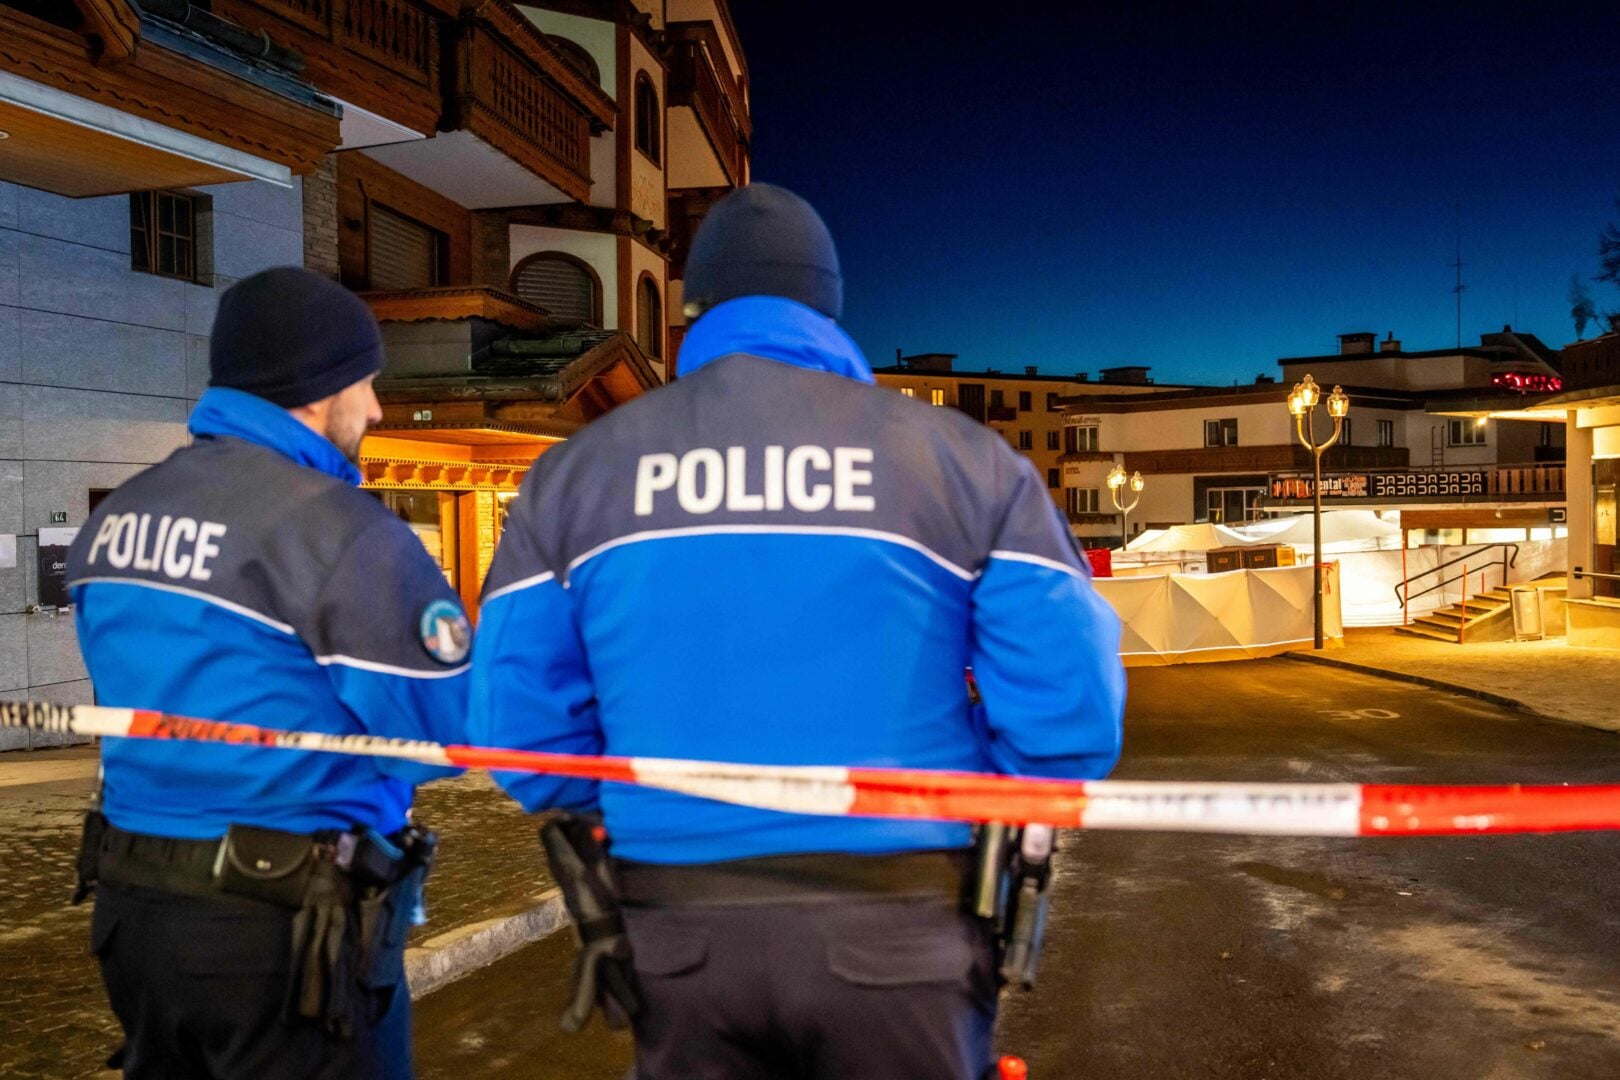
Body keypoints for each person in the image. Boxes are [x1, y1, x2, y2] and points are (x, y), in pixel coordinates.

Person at [470, 184, 1126, 1080]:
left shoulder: (574, 476)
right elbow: (1072, 712)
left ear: (693, 309)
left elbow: (517, 728)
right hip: (902, 918)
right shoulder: (962, 461)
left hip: (679, 928)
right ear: (827, 304)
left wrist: (635, 803)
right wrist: (971, 781)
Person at [66, 267, 472, 1080]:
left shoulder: (117, 518)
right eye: (367, 382)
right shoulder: (340, 532)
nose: (378, 409)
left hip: (133, 913)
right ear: (320, 390)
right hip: (282, 933)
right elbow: (447, 732)